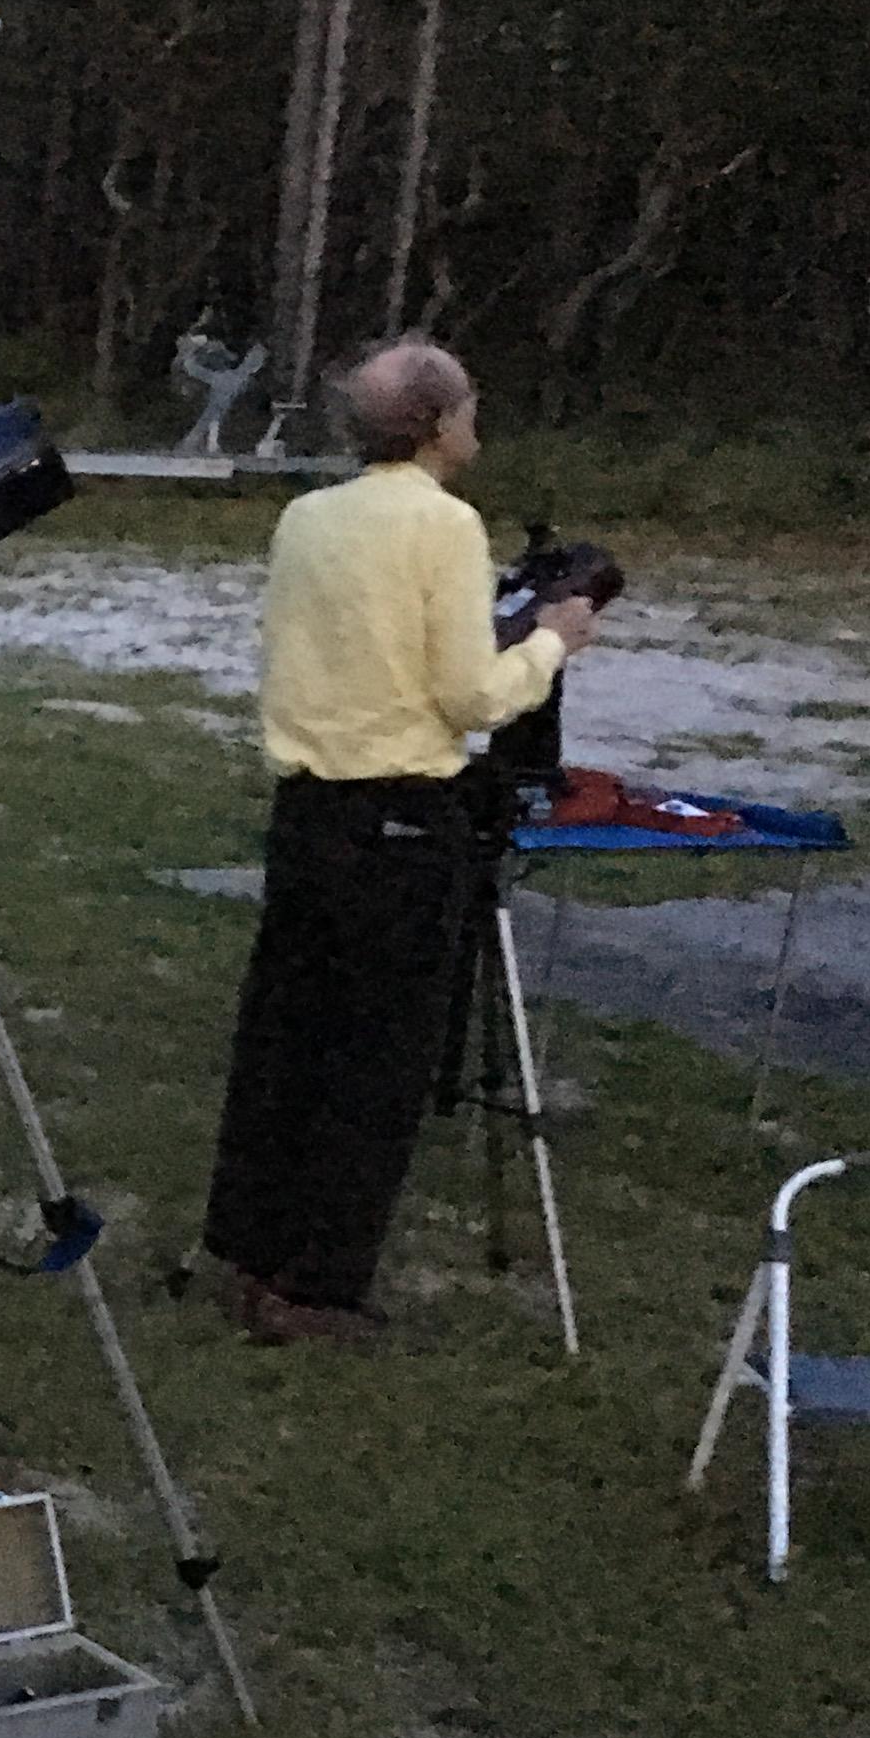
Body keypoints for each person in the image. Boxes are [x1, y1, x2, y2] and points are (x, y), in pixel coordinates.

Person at [198, 337, 603, 1343]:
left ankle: (250, 1248)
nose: (475, 423)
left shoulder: (306, 517)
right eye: (468, 408)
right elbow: (468, 696)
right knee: (376, 1061)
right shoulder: (445, 525)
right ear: (435, 425)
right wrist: (551, 643)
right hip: (402, 820)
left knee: (286, 1040)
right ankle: (317, 1286)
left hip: (308, 812)